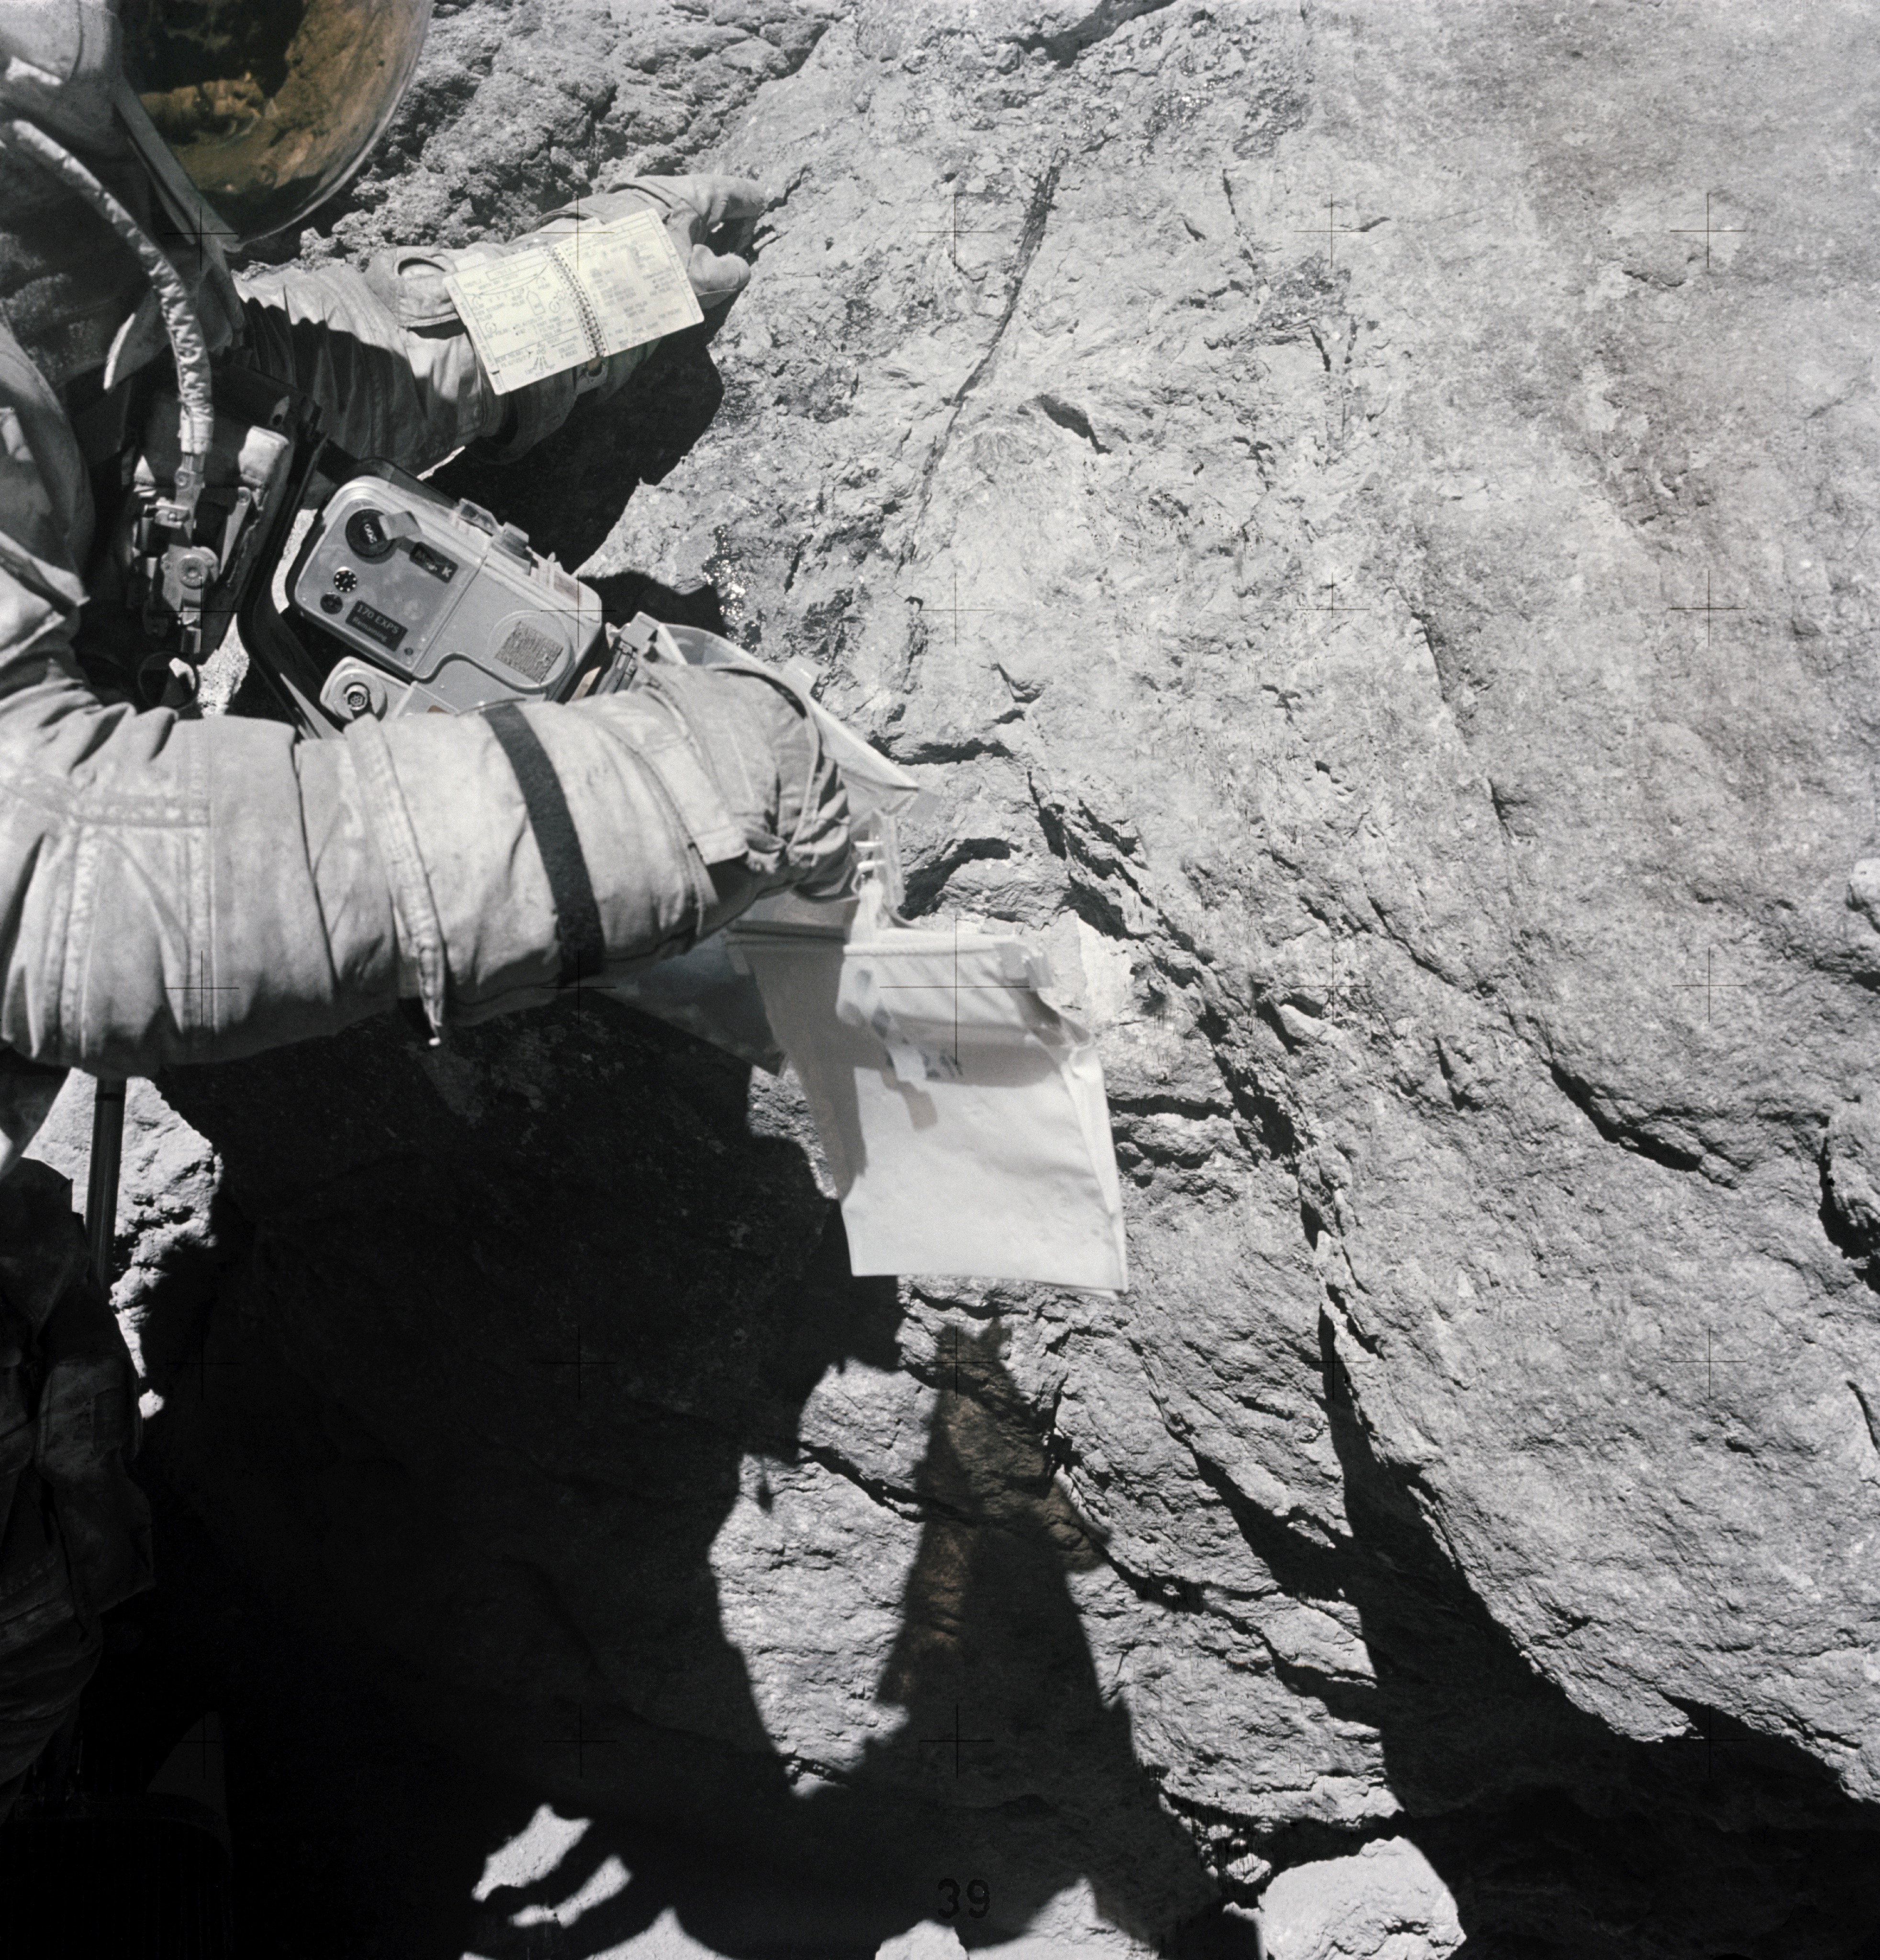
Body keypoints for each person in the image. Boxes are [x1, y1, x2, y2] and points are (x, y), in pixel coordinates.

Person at [0, 0, 852, 1817]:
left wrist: (609, 283)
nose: (245, 87)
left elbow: (270, 370)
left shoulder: (44, 238)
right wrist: (670, 787)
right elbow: (60, 862)